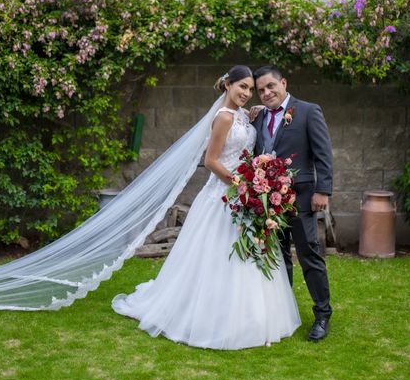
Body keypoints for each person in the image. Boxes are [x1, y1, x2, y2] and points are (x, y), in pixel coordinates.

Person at [112, 65, 301, 350]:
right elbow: (212, 161)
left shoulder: (240, 115)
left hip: (244, 195)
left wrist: (252, 118)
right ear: (228, 85)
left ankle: (250, 317)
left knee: (247, 254)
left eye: (251, 90)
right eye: (243, 87)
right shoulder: (223, 118)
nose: (247, 94)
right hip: (223, 196)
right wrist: (239, 182)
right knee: (218, 256)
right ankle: (209, 315)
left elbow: (245, 144)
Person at [252, 65, 333, 342]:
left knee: (309, 254)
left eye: (271, 86)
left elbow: (323, 153)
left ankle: (322, 314)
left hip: (302, 197)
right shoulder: (260, 117)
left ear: (283, 83)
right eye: (261, 90)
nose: (266, 93)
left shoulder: (309, 111)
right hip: (271, 201)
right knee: (279, 256)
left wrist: (323, 190)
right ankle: (284, 312)